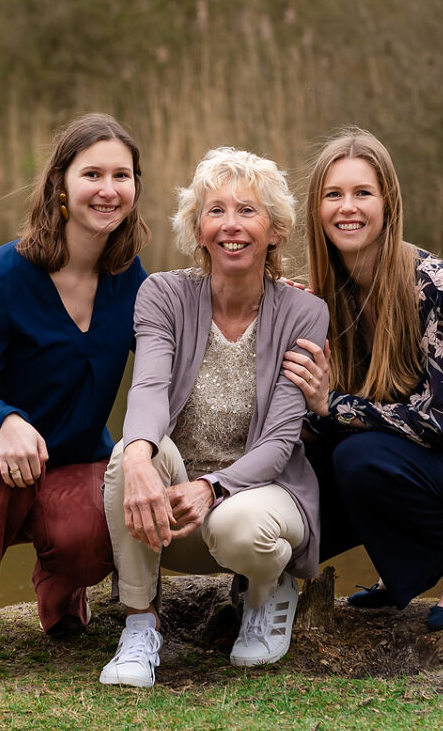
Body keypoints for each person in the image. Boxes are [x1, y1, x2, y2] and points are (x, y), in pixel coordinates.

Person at [0, 113, 150, 684]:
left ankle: (62, 595)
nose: (107, 189)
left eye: (122, 175)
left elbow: (182, 349)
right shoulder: (4, 275)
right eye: (91, 173)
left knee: (95, 530)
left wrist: (266, 291)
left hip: (68, 462)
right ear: (60, 187)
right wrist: (6, 421)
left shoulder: (131, 279)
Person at [283, 129, 443, 631]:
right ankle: (409, 563)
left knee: (359, 457)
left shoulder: (432, 283)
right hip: (406, 455)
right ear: (317, 208)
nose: (348, 208)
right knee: (301, 492)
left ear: (388, 202)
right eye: (333, 195)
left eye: (363, 193)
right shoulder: (323, 297)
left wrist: (331, 404)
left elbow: (440, 426)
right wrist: (278, 313)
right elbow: (317, 425)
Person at [99, 148, 329, 688]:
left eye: (248, 211)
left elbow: (278, 441)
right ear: (197, 228)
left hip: (265, 497)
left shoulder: (304, 313)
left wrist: (213, 487)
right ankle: (139, 626)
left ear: (275, 231)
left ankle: (265, 593)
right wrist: (138, 458)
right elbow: (150, 388)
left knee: (236, 523)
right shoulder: (163, 295)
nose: (231, 225)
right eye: (215, 211)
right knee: (128, 456)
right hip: (177, 505)